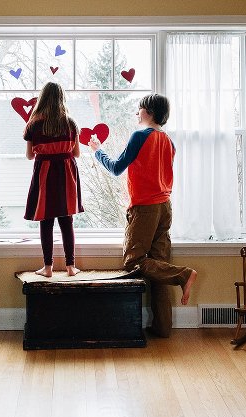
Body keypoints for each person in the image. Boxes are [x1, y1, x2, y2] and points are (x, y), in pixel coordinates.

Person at [88, 93, 196, 338]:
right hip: (165, 207)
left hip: (145, 208)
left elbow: (116, 168)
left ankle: (184, 275)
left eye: (139, 108)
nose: (136, 112)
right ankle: (162, 328)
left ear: (148, 111)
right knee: (159, 265)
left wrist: (97, 151)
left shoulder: (140, 135)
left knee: (133, 261)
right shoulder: (168, 141)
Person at [24, 82, 83, 278]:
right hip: (66, 174)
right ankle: (70, 267)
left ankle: (48, 267)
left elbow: (30, 156)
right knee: (67, 221)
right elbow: (76, 153)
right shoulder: (70, 123)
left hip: (45, 174)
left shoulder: (33, 125)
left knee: (46, 221)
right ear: (61, 99)